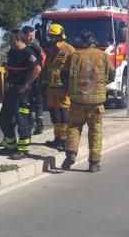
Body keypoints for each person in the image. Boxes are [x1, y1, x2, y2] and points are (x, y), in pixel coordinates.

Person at [62, 30, 112, 173]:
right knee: (95, 131)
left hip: (77, 100)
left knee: (74, 127)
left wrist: (70, 89)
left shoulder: (75, 56)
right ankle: (94, 163)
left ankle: (71, 153)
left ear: (82, 42)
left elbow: (64, 75)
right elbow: (112, 74)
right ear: (93, 41)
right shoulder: (103, 56)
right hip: (96, 102)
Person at [0, 29, 41, 160]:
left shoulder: (28, 52)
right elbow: (9, 70)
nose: (9, 43)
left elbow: (37, 68)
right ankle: (10, 145)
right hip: (11, 90)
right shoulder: (12, 52)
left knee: (22, 120)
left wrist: (26, 84)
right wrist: (7, 82)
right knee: (4, 118)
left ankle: (23, 150)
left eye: (10, 40)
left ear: (17, 39)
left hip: (22, 93)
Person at [43, 23, 75, 153]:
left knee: (63, 114)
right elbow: (46, 68)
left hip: (63, 87)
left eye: (54, 36)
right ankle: (57, 138)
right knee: (54, 114)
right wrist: (43, 83)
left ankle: (64, 140)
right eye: (50, 36)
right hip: (51, 87)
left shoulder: (69, 50)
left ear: (60, 35)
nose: (51, 38)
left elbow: (73, 70)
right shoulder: (51, 50)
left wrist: (70, 86)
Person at [22, 26, 46, 135]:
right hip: (27, 79)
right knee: (27, 103)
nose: (31, 38)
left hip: (37, 79)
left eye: (32, 36)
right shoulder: (21, 48)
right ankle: (31, 123)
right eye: (29, 36)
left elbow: (42, 63)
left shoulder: (36, 48)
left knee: (38, 103)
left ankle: (39, 125)